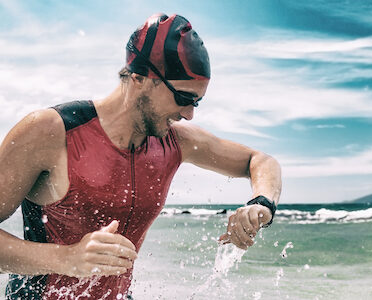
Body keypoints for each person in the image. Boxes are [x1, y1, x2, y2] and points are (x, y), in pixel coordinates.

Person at [0, 13, 282, 299]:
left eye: (197, 102)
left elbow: (259, 161)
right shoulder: (51, 131)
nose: (189, 114)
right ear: (139, 78)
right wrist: (67, 259)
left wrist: (261, 203)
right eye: (183, 98)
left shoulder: (175, 142)